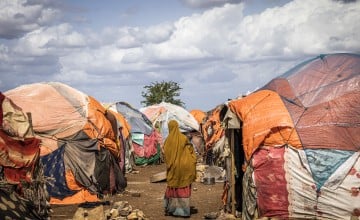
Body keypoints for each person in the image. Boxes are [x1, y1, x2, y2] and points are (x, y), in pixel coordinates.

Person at [163, 120, 197, 217]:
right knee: (183, 187)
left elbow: (166, 155)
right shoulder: (183, 138)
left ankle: (172, 209)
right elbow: (191, 150)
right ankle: (183, 211)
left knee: (173, 187)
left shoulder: (167, 141)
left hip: (173, 168)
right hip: (185, 167)